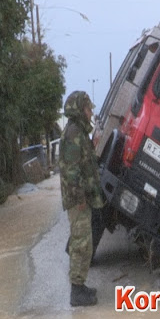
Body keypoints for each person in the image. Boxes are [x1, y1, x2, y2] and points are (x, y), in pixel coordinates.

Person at [59, 90, 104, 306]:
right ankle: (76, 292)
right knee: (80, 242)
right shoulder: (73, 134)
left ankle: (80, 285)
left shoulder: (78, 133)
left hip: (81, 197)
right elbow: (71, 172)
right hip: (78, 200)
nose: (90, 113)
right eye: (88, 109)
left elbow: (84, 164)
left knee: (84, 242)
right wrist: (80, 198)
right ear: (79, 110)